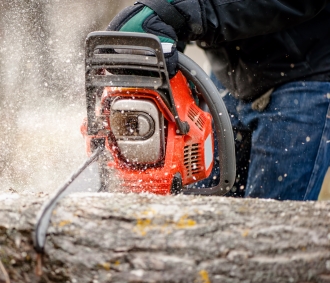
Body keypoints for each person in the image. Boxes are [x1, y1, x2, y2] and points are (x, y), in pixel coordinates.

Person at [107, 1, 330, 201]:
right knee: (196, 206)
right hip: (228, 74)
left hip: (304, 73)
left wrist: (188, 11)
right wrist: (163, 25)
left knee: (268, 226)